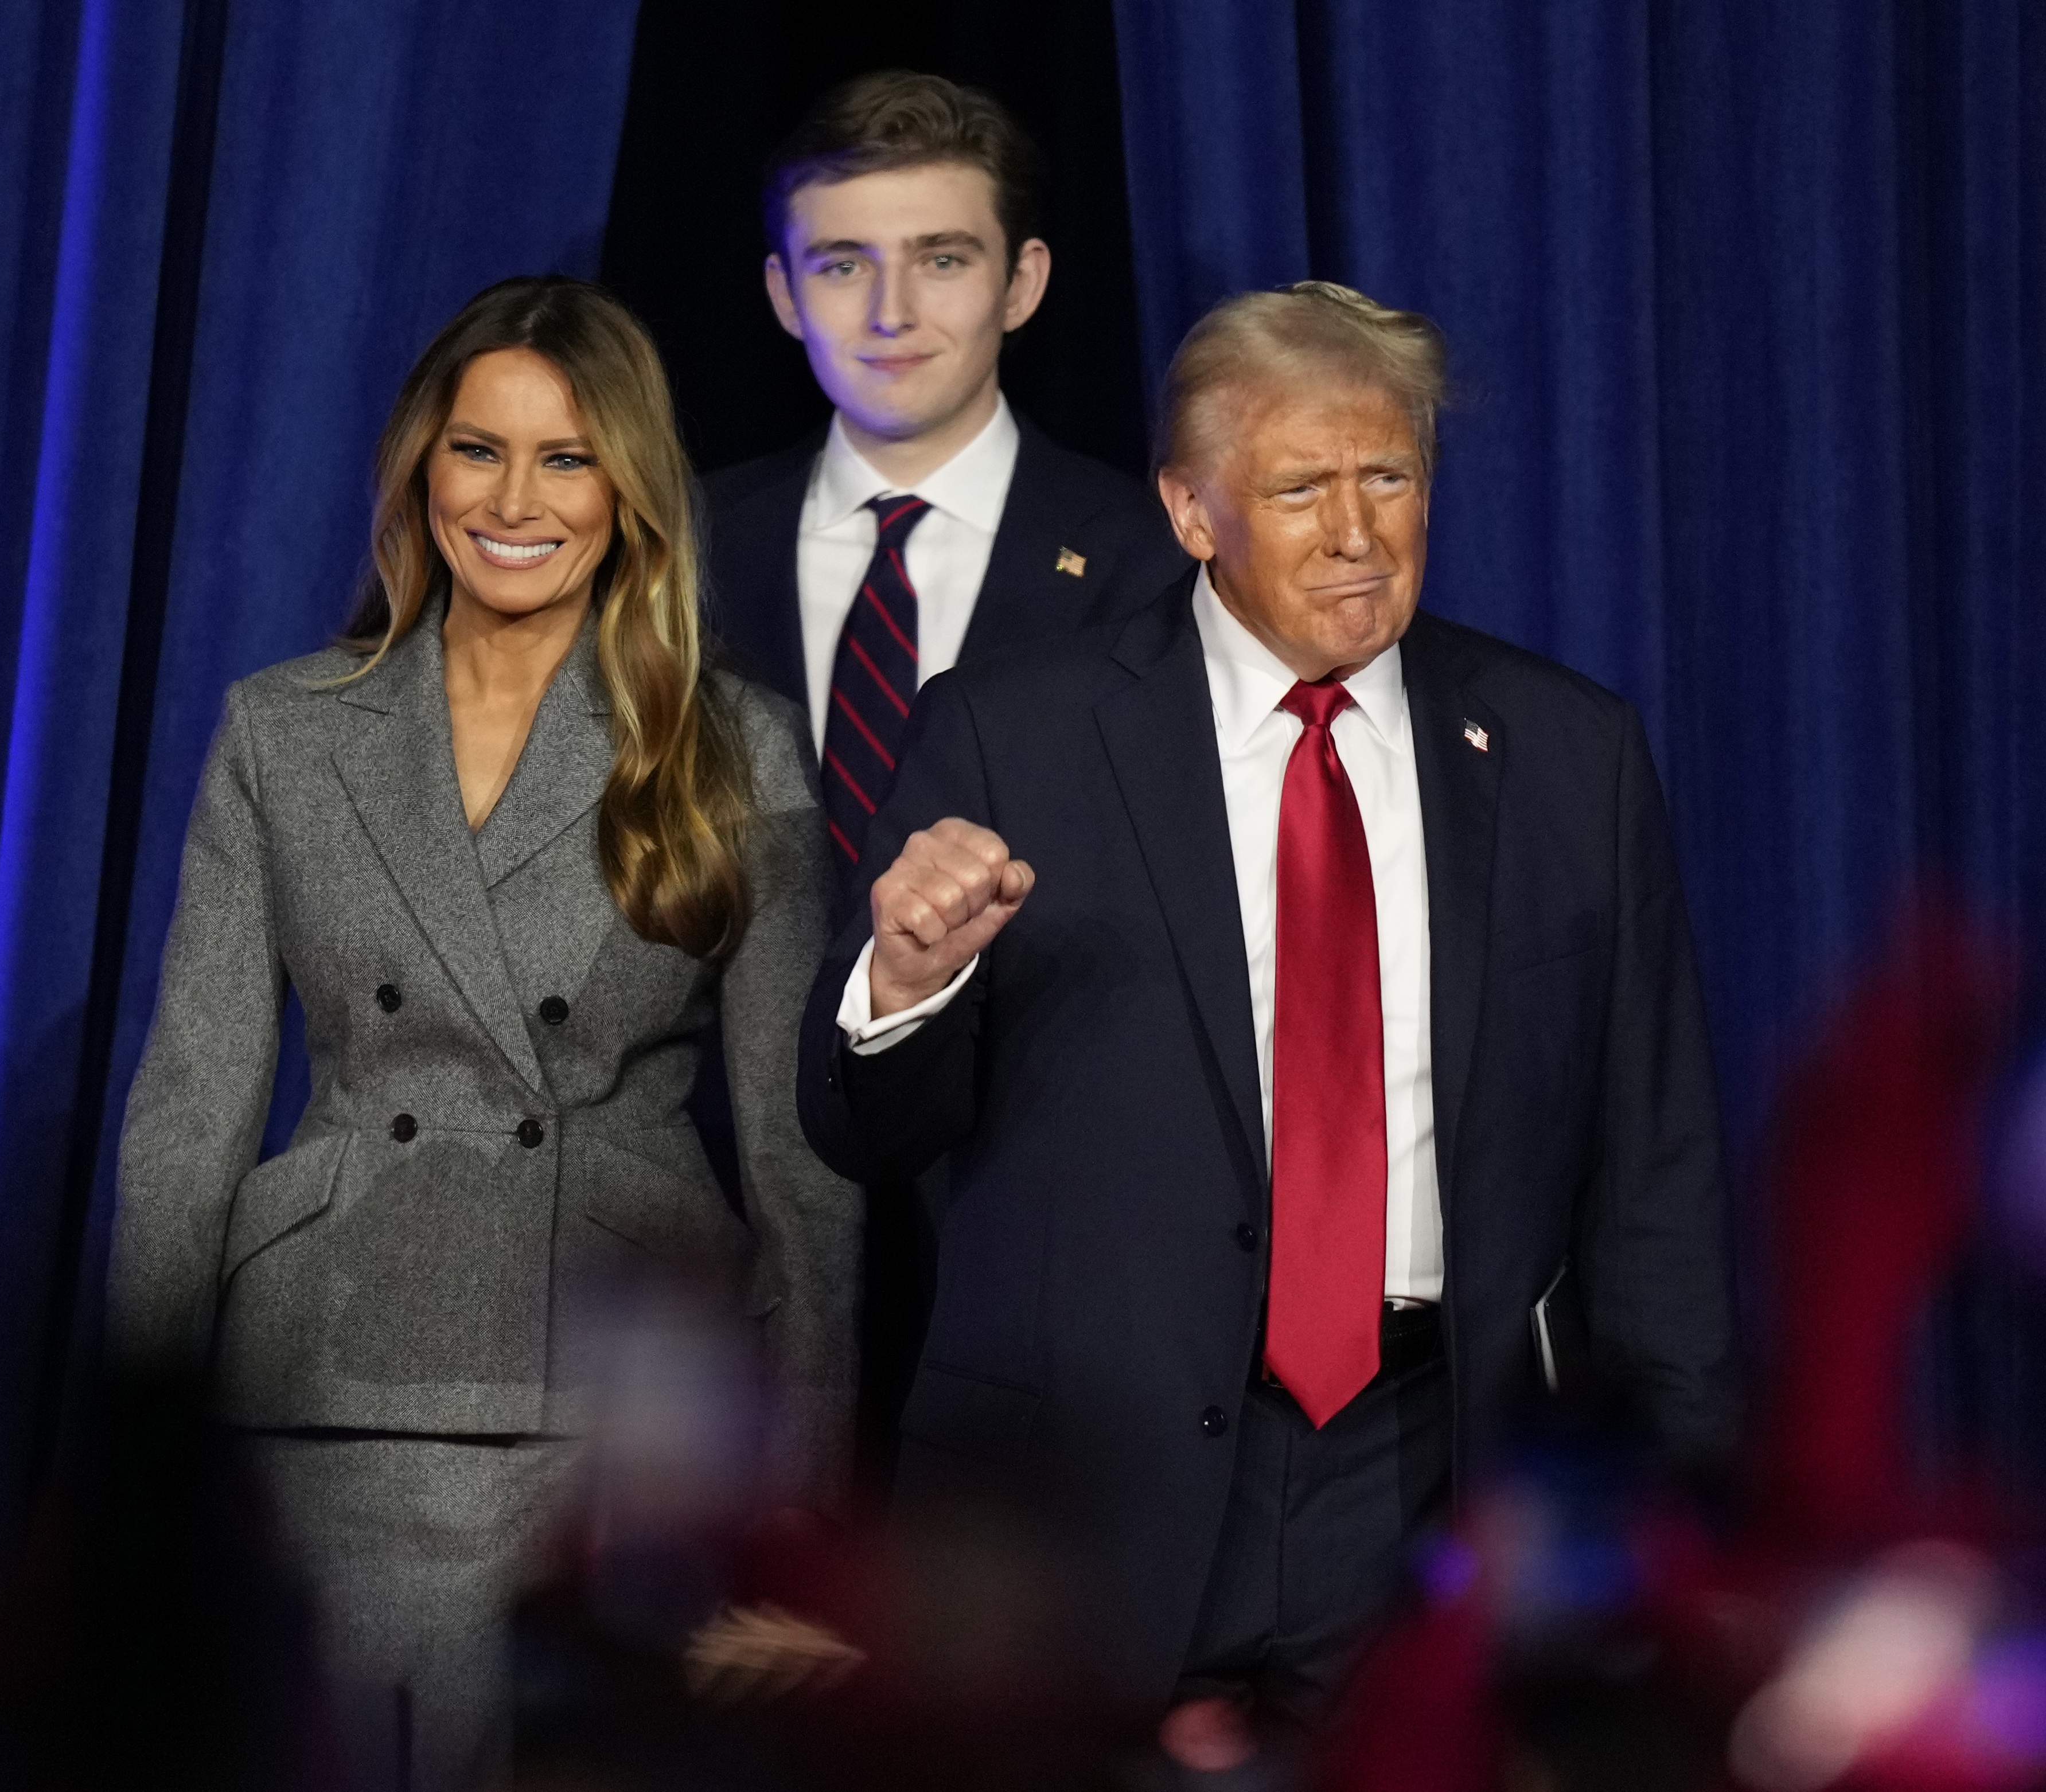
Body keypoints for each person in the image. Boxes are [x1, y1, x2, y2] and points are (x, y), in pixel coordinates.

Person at [795, 283, 1739, 1721]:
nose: (1357, 533)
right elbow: (864, 1130)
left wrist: (1675, 1525)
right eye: (1301, 488)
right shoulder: (1011, 731)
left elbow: (1654, 1176)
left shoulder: (1565, 754)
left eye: (1390, 478)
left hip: (1438, 1476)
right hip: (1089, 1494)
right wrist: (905, 985)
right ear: (1190, 511)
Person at [107, 276, 858, 1791]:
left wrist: (799, 1525)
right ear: (420, 470)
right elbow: (189, 1118)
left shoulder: (735, 744)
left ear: (630, 488)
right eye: (477, 449)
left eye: (567, 456)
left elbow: (803, 1169)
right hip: (324, 1381)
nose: (515, 499)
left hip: (614, 1410)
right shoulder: (286, 727)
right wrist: (133, 1480)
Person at [702, 69, 1189, 876]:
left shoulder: (1145, 560)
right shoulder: (686, 544)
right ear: (785, 294)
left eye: (942, 261)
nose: (891, 312)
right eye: (843, 266)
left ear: (1020, 285)